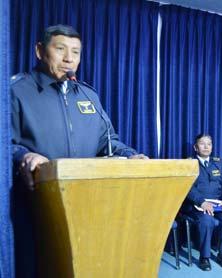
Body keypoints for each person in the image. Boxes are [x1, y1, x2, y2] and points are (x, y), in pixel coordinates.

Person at [11, 24, 148, 277]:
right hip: (35, 208)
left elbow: (108, 142)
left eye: (75, 52)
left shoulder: (88, 95)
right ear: (40, 51)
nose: (68, 58)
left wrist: (130, 155)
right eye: (60, 49)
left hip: (88, 207)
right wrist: (22, 155)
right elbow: (4, 144)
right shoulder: (15, 90)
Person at [184, 134, 222, 271]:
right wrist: (201, 202)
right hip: (198, 205)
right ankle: (204, 257)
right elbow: (187, 187)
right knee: (207, 220)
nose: (206, 147)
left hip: (218, 204)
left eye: (209, 144)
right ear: (196, 147)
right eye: (202, 144)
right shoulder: (190, 164)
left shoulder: (218, 164)